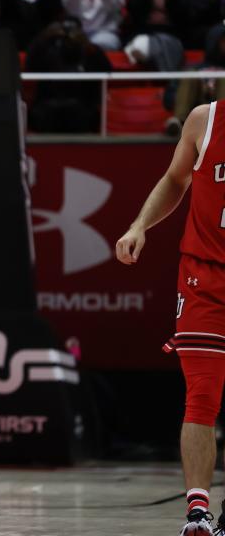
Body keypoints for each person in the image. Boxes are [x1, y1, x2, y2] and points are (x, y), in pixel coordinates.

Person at [115, 97, 225, 536]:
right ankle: (198, 513)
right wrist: (139, 225)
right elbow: (175, 180)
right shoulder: (206, 118)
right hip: (205, 276)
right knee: (202, 395)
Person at [24, 18, 112, 134]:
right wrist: (44, 37)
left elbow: (106, 70)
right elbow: (29, 65)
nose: (68, 35)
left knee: (80, 112)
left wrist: (86, 43)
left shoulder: (89, 51)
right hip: (48, 104)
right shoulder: (48, 50)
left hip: (82, 105)